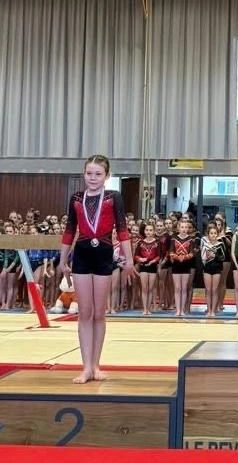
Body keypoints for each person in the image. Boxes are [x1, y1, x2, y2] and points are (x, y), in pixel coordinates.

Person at [60, 155, 134, 384]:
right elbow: (69, 230)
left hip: (103, 254)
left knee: (99, 313)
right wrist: (63, 261)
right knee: (85, 312)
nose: (93, 178)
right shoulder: (76, 198)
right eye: (89, 173)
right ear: (83, 174)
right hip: (82, 255)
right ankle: (85, 367)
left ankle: (96, 365)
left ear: (107, 176)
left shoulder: (113, 197)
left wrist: (129, 259)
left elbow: (122, 229)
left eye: (98, 174)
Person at [201, 224, 225, 317]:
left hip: (217, 269)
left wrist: (215, 255)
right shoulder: (205, 245)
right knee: (208, 290)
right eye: (211, 233)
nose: (213, 235)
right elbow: (203, 258)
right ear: (208, 234)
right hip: (207, 269)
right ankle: (209, 309)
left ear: (217, 234)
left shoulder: (220, 244)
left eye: (215, 233)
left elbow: (223, 257)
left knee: (214, 290)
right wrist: (206, 257)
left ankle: (213, 310)